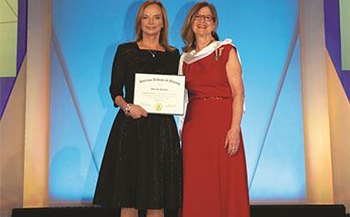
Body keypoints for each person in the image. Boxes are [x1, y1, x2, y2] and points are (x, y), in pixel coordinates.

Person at [93, 1, 182, 217]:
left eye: (156, 17)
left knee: (156, 198)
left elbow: (178, 88)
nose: (151, 22)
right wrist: (127, 107)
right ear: (139, 22)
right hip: (131, 127)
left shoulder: (173, 54)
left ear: (163, 23)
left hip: (162, 130)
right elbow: (115, 89)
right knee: (129, 197)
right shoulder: (126, 51)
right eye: (146, 17)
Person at [178, 2, 250, 217]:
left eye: (208, 18)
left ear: (215, 24)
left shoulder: (226, 50)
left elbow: (238, 93)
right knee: (198, 184)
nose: (202, 21)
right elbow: (181, 100)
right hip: (195, 128)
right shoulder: (184, 59)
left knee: (227, 184)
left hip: (223, 126)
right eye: (198, 17)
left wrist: (234, 129)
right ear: (191, 22)